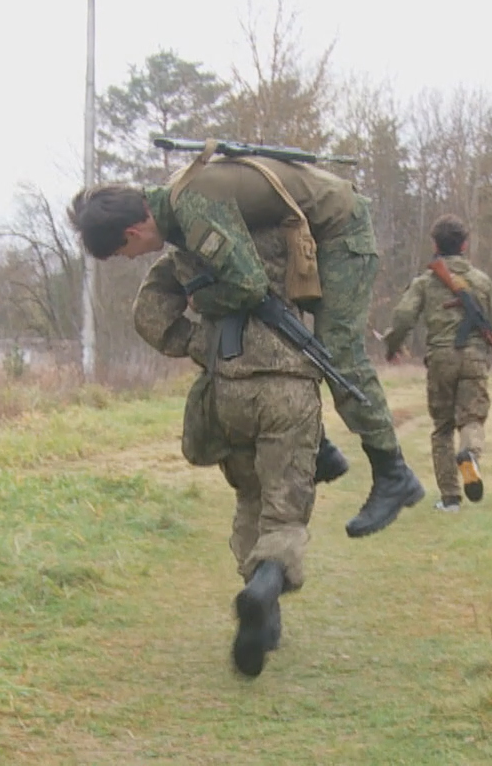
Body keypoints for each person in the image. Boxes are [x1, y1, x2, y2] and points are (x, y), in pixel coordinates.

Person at [70, 151, 426, 538]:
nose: (129, 258)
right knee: (286, 334)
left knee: (337, 352)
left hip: (341, 228)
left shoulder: (190, 206)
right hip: (313, 231)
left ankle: (393, 473)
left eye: (123, 252)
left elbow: (248, 285)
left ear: (132, 233)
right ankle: (321, 450)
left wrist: (200, 300)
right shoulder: (176, 209)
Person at [133, 228, 322, 677]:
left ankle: (263, 607)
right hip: (288, 388)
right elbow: (329, 295)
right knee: (285, 511)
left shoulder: (196, 240)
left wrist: (200, 343)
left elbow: (148, 312)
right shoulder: (292, 232)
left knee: (250, 497)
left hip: (227, 390)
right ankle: (266, 585)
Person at [384, 214, 492, 512]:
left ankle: (450, 498)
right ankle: (470, 454)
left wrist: (393, 344)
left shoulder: (425, 283)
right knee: (472, 419)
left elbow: (402, 317)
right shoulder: (482, 281)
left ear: (434, 244)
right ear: (465, 244)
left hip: (440, 358)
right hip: (475, 358)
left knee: (441, 428)